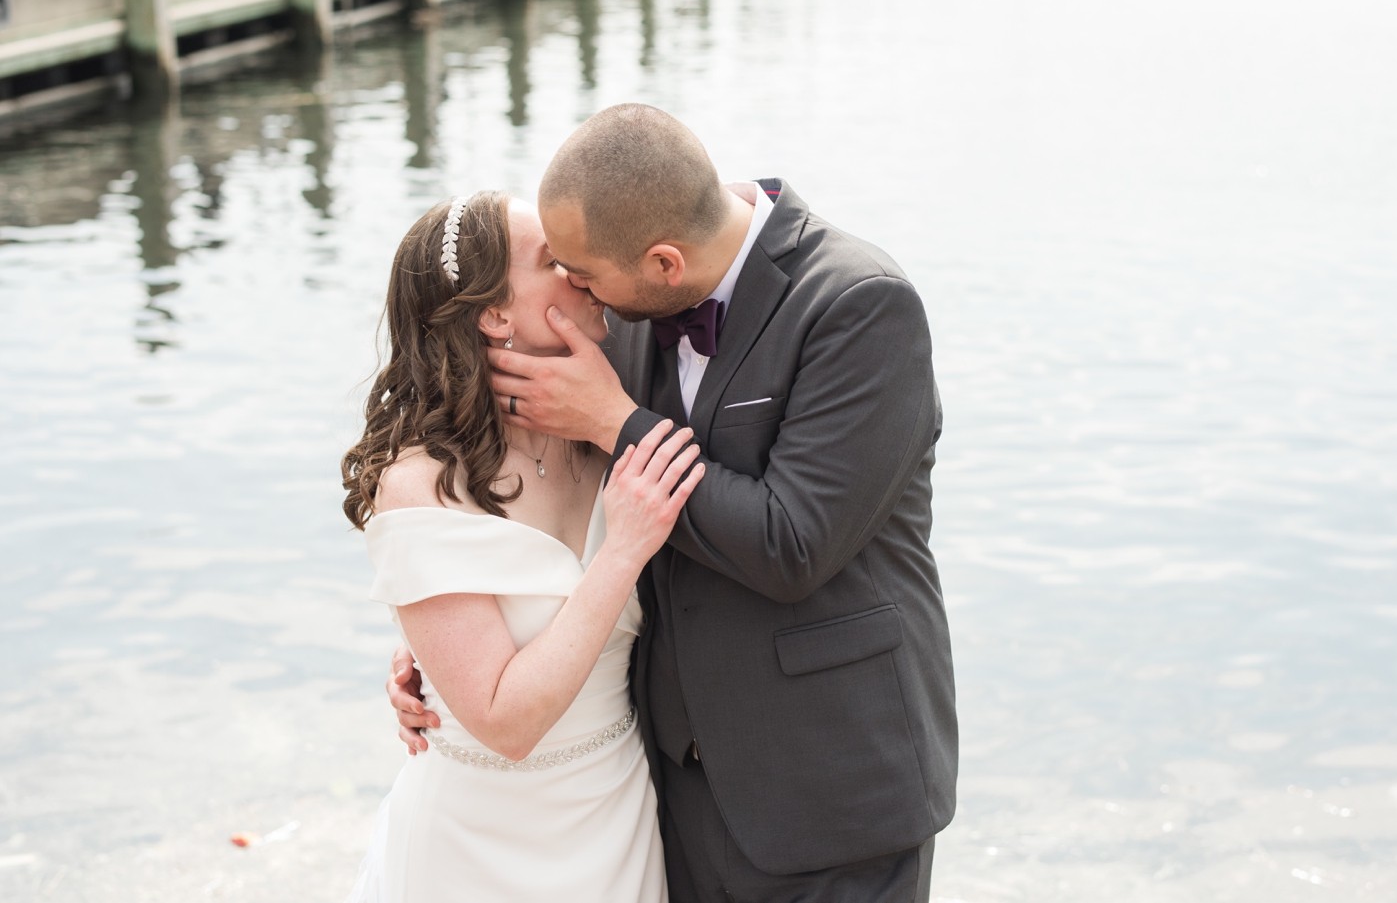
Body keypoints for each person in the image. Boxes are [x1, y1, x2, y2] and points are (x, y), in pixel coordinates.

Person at [388, 104, 957, 901]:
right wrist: (450, 646)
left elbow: (792, 542)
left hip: (830, 788)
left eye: (584, 275)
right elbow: (524, 539)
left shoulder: (861, 305)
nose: (580, 291)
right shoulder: (622, 312)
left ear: (662, 262)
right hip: (667, 798)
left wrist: (612, 421)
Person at [342, 191, 703, 903]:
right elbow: (505, 721)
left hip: (618, 817)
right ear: (494, 312)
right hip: (475, 848)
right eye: (553, 260)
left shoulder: (606, 421)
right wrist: (621, 551)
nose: (580, 267)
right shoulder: (418, 486)